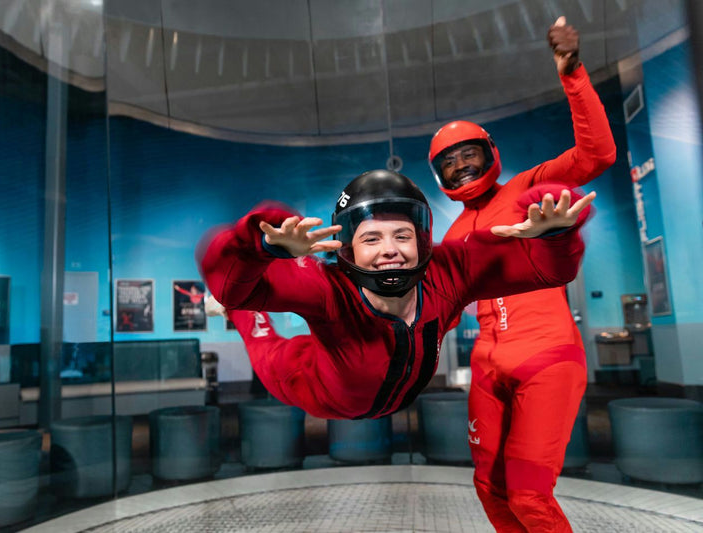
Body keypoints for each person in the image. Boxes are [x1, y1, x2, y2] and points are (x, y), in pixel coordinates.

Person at [197, 168, 595, 421]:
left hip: (385, 389)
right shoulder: (327, 289)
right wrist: (257, 247)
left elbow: (546, 271)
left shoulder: (448, 271)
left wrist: (557, 233)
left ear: (421, 242)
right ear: (349, 250)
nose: (390, 249)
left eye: (402, 235)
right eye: (372, 238)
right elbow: (230, 279)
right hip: (309, 381)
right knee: (253, 324)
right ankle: (235, 315)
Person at [426, 16, 616, 533]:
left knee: (531, 496)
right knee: (490, 488)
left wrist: (572, 72)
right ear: (440, 176)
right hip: (488, 366)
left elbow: (597, 154)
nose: (462, 167)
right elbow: (434, 312)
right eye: (450, 163)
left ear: (491, 154)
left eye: (470, 155)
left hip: (547, 359)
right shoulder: (452, 237)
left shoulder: (528, 187)